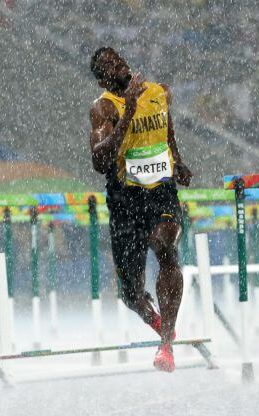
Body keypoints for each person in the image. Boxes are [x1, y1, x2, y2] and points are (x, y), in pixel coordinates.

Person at [88, 47, 193, 372]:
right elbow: (99, 161)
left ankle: (166, 346)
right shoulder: (103, 108)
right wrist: (129, 112)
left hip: (161, 191)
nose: (119, 66)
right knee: (131, 294)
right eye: (109, 66)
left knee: (165, 245)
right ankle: (155, 319)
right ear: (103, 79)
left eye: (118, 59)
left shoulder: (159, 93)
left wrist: (176, 161)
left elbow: (167, 127)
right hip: (125, 199)